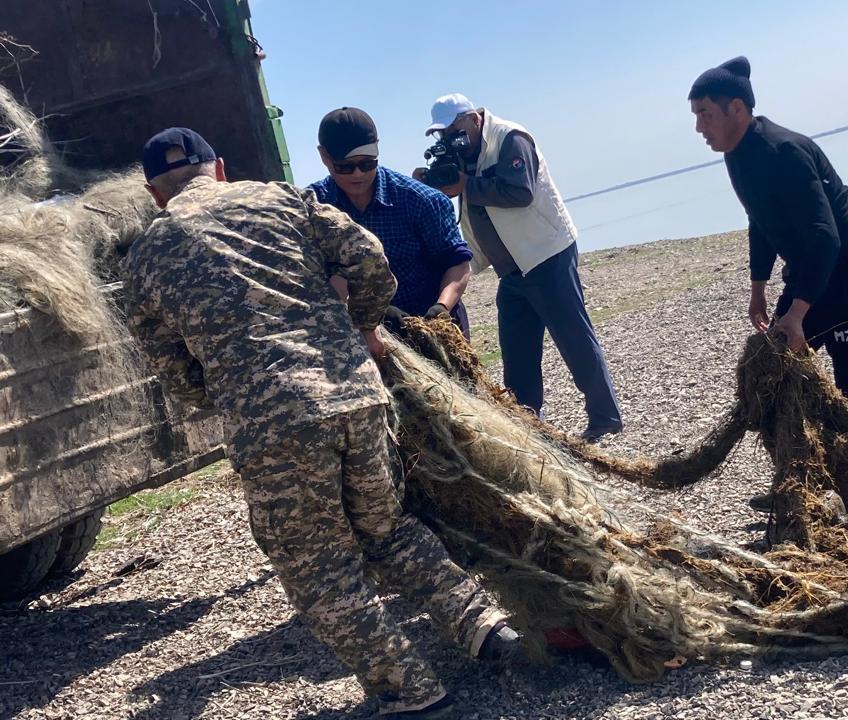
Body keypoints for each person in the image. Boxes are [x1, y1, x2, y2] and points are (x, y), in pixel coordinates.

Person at [123, 128, 521, 719]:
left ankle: (411, 691)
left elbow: (169, 364)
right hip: (356, 395)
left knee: (319, 567)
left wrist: (223, 392)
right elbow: (369, 258)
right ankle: (483, 626)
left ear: (155, 194)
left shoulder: (148, 255)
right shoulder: (280, 198)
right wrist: (361, 327)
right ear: (221, 168)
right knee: (387, 528)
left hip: (274, 423)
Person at [688, 57, 848, 492]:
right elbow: (759, 220)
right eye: (696, 117)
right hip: (812, 272)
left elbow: (825, 238)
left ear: (736, 109)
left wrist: (797, 313)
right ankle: (808, 485)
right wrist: (758, 288)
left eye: (704, 114)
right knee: (774, 376)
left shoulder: (784, 152)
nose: (699, 128)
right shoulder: (736, 154)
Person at [421, 93, 624, 443]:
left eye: (455, 130)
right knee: (517, 350)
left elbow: (520, 192)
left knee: (573, 337)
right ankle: (527, 425)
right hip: (511, 267)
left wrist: (466, 185)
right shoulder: (463, 152)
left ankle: (605, 417)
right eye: (443, 135)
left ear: (474, 119)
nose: (450, 140)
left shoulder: (511, 138)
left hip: (546, 255)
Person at [310, 107, 474, 339]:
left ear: (377, 146)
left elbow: (458, 263)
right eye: (345, 166)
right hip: (358, 334)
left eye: (367, 163)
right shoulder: (313, 209)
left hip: (430, 325)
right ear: (324, 156)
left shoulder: (421, 200)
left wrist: (441, 309)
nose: (358, 174)